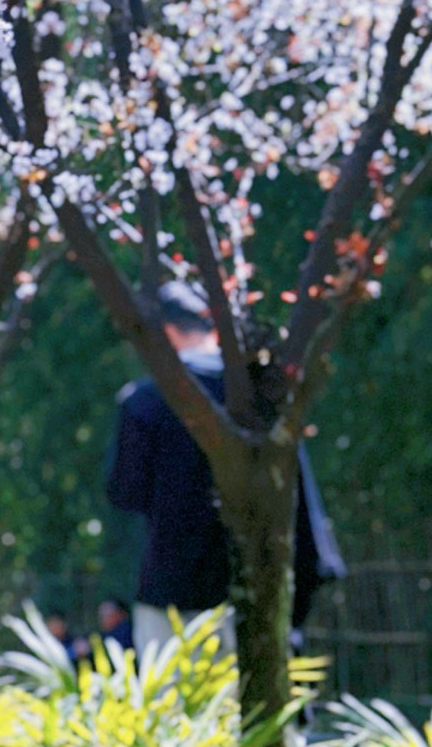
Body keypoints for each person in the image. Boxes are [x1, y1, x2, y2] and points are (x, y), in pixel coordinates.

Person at [106, 282, 345, 659]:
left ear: (164, 334)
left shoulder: (145, 401)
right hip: (257, 579)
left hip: (174, 592)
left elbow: (125, 493)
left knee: (175, 710)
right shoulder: (260, 391)